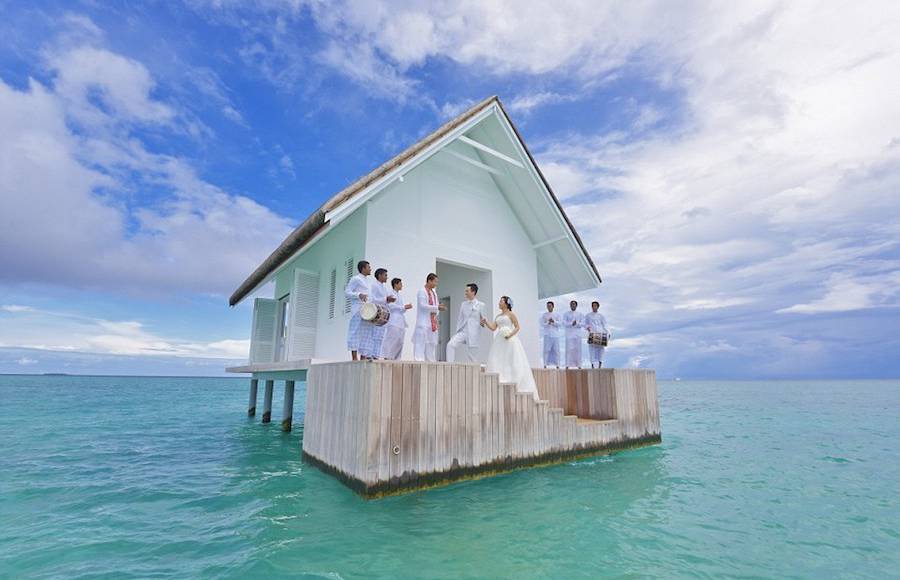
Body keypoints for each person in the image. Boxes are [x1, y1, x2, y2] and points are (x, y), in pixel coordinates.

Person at [481, 296, 540, 401]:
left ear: (506, 303)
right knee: (498, 358)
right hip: (499, 339)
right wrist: (486, 322)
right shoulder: (498, 316)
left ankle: (512, 380)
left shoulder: (511, 314)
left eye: (501, 301)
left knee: (510, 359)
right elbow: (493, 328)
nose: (499, 303)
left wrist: (510, 335)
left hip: (510, 339)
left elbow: (517, 327)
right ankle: (500, 379)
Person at [357, 268, 395, 360]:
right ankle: (368, 355)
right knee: (373, 336)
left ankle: (376, 356)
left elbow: (384, 300)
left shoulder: (384, 288)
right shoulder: (374, 285)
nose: (387, 277)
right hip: (375, 314)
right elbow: (372, 299)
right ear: (380, 275)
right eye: (385, 275)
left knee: (380, 337)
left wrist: (388, 301)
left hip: (382, 314)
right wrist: (386, 299)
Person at [447, 283, 485, 363]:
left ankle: (474, 372)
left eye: (467, 291)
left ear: (473, 292)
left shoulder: (481, 305)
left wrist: (482, 323)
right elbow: (460, 319)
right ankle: (449, 364)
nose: (465, 293)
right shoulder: (463, 304)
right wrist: (458, 331)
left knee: (472, 357)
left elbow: (484, 320)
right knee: (450, 345)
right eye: (465, 291)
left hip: (473, 333)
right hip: (463, 331)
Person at [413, 273, 445, 361]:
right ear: (429, 281)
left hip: (432, 322)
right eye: (435, 282)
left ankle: (430, 360)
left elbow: (436, 305)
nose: (436, 284)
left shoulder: (434, 292)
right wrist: (437, 307)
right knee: (421, 341)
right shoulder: (422, 291)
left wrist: (439, 308)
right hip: (423, 321)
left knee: (432, 342)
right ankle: (419, 360)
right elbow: (422, 305)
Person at [345, 260, 372, 361]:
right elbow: (347, 292)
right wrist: (358, 295)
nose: (370, 269)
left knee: (366, 332)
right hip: (357, 309)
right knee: (355, 331)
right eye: (368, 267)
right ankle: (354, 357)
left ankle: (363, 356)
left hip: (367, 310)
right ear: (363, 268)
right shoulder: (355, 279)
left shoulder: (368, 281)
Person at [381, 277, 412, 360]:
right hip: (393, 320)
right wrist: (403, 307)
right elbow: (391, 306)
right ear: (396, 284)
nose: (402, 285)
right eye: (400, 284)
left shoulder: (399, 295)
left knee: (400, 341)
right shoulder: (390, 293)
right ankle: (387, 357)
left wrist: (405, 308)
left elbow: (401, 309)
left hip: (401, 321)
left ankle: (397, 358)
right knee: (392, 339)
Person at [584, 301, 609, 369]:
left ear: (598, 307)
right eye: (593, 306)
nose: (594, 307)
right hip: (592, 333)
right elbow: (585, 324)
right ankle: (592, 365)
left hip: (600, 333)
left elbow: (605, 325)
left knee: (601, 349)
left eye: (595, 306)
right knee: (592, 349)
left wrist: (608, 333)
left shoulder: (601, 316)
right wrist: (587, 328)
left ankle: (600, 365)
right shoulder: (588, 315)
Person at [562, 300, 584, 369]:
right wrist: (571, 323)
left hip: (577, 334)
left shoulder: (580, 314)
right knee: (569, 349)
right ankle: (567, 365)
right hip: (569, 334)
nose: (572, 305)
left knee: (578, 350)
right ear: (570, 305)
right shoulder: (566, 314)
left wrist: (576, 323)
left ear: (576, 305)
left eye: (574, 304)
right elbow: (564, 323)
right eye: (571, 304)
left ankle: (579, 365)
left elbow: (583, 323)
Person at [540, 301, 561, 368]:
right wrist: (548, 323)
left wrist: (553, 321)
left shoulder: (557, 314)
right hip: (547, 335)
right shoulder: (544, 315)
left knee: (556, 350)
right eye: (548, 306)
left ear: (553, 306)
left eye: (550, 306)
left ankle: (557, 364)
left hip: (555, 335)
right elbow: (542, 324)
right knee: (546, 349)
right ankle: (545, 364)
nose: (549, 307)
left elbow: (560, 324)